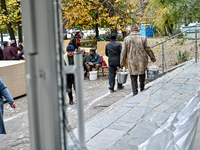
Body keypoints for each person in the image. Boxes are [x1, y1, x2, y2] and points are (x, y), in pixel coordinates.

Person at [120, 25, 156, 96]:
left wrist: (122, 62)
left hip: (131, 60)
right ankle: (142, 88)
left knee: (133, 76)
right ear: (138, 30)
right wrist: (152, 58)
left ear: (131, 30)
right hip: (142, 60)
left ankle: (135, 92)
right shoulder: (143, 38)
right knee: (142, 74)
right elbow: (148, 49)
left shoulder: (127, 39)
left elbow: (123, 51)